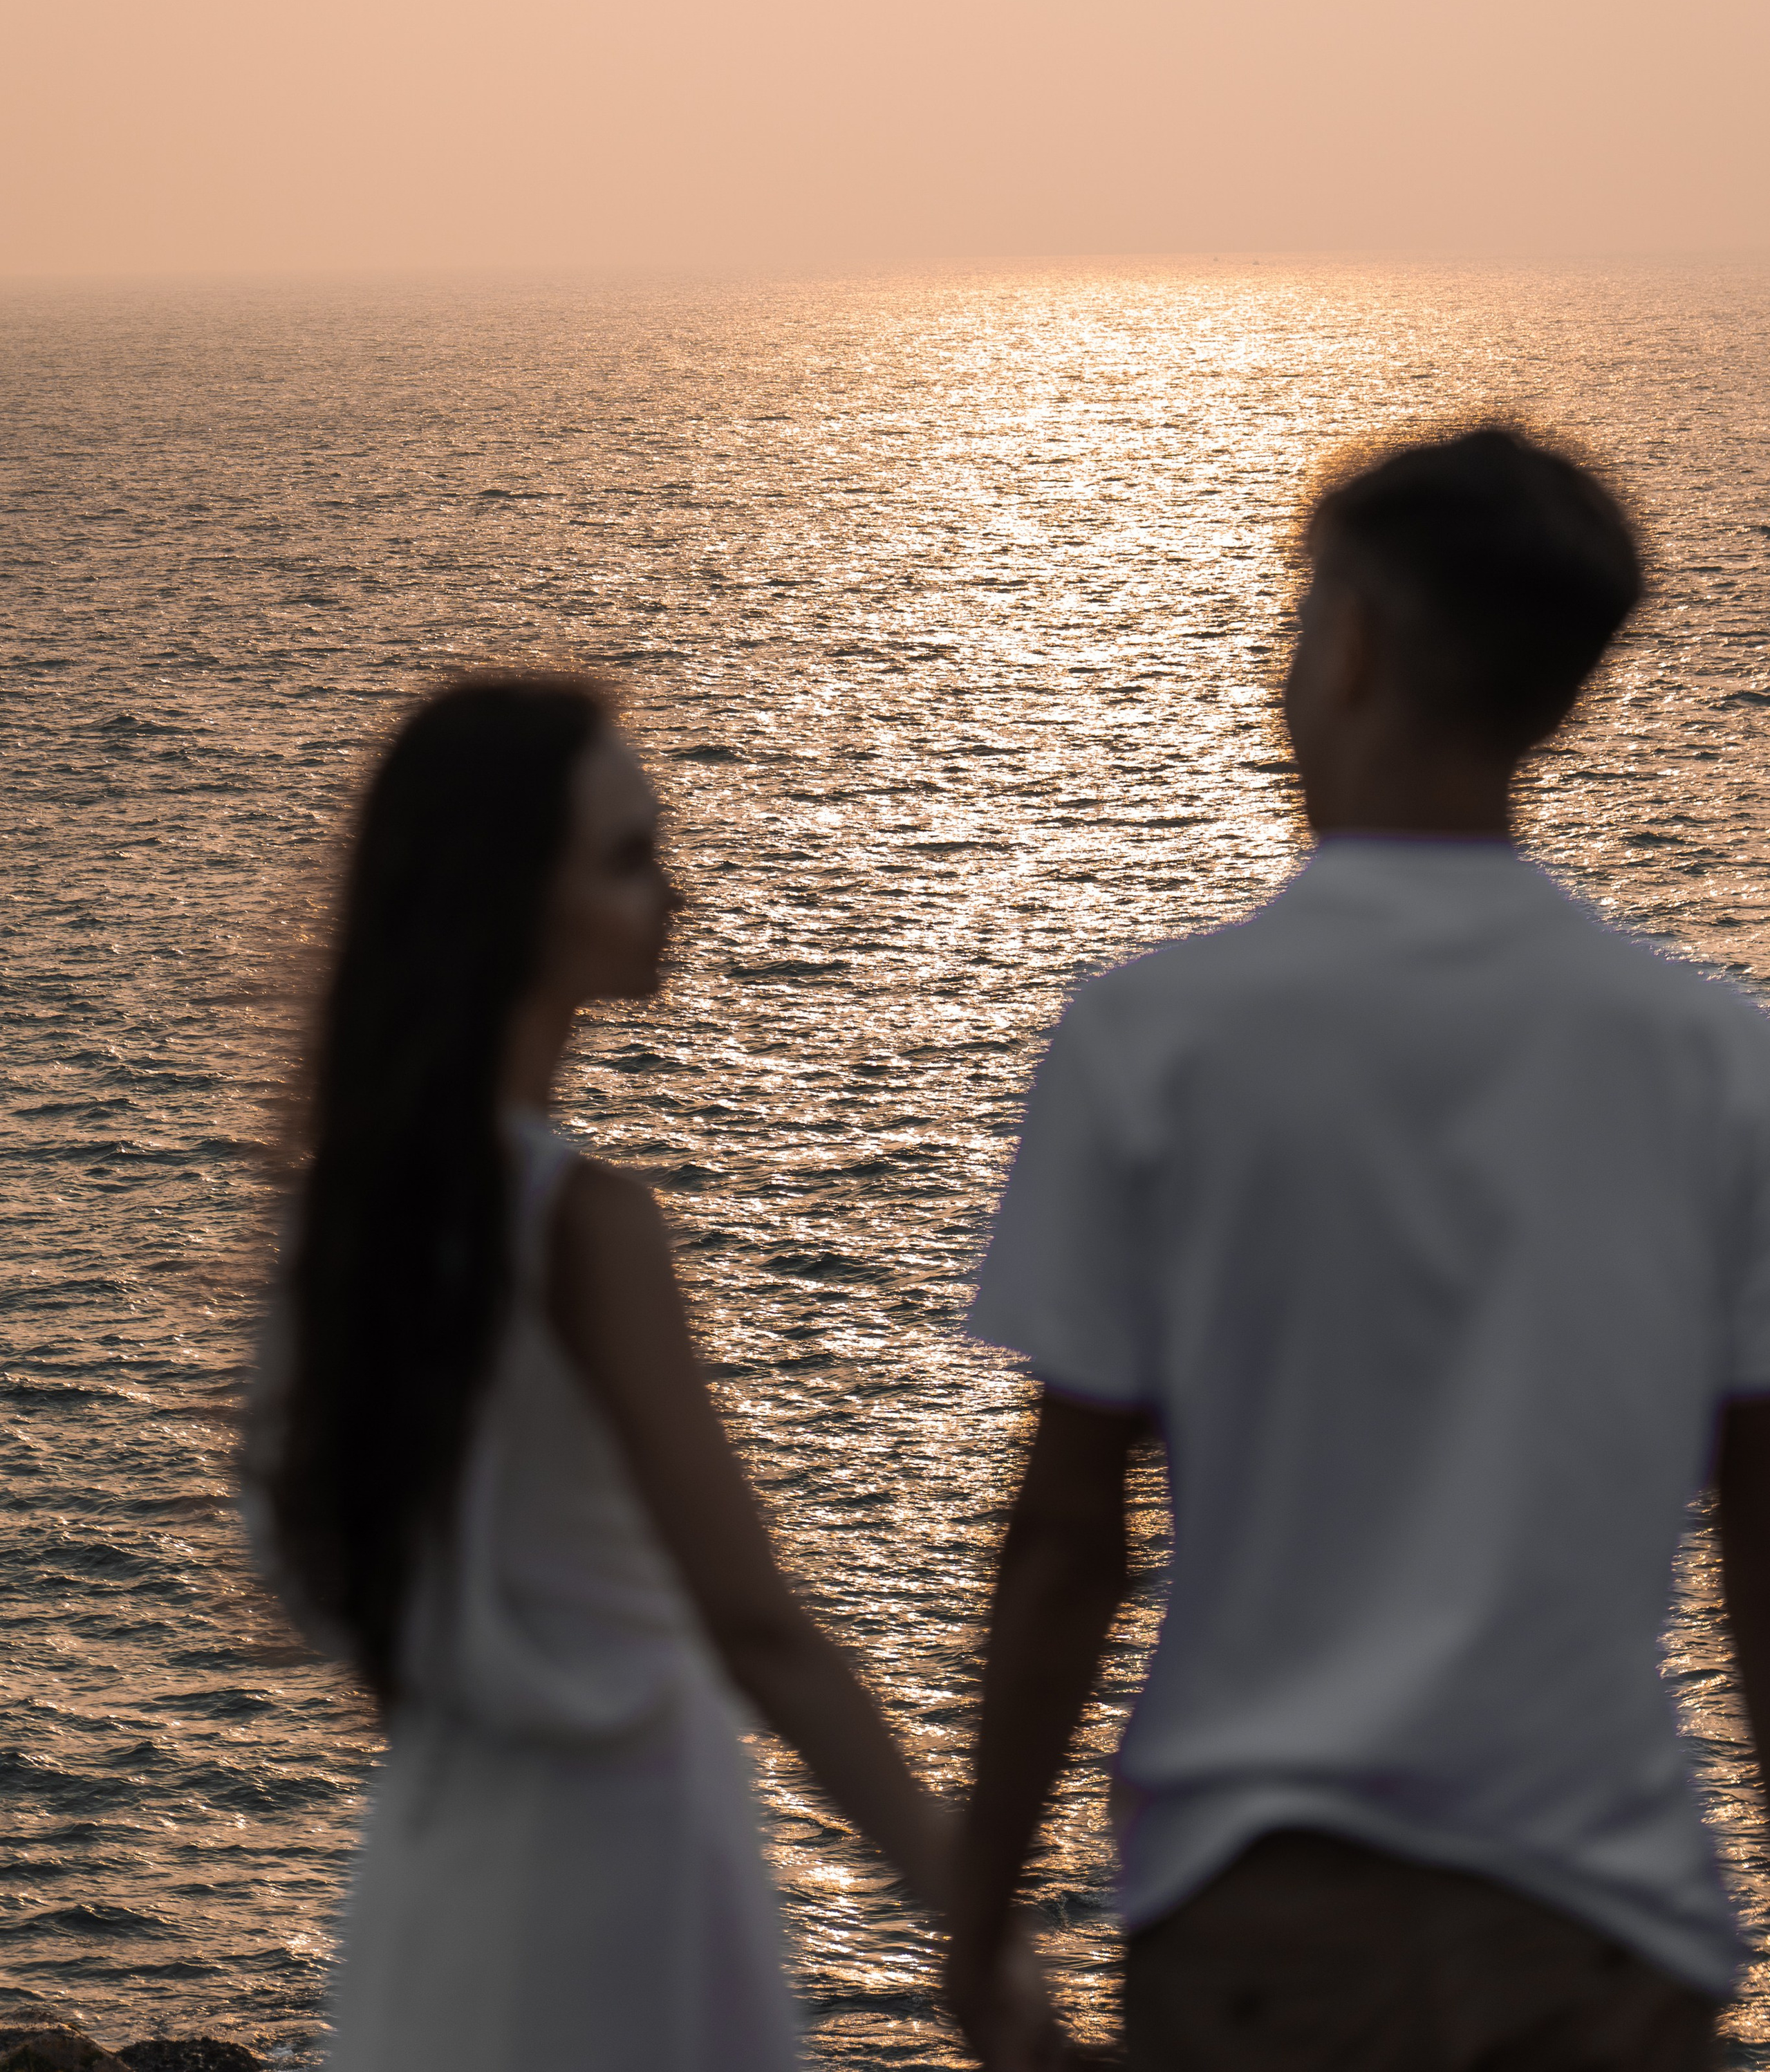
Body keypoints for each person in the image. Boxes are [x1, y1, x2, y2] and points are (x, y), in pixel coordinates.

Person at [946, 425, 1770, 2071]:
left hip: (1267, 1924)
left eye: (1299, 613)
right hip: (1597, 1927)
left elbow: (1068, 1538)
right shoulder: (1710, 1058)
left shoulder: (1155, 1040)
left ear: (1355, 649)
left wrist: (978, 1919)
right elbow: (1757, 1525)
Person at [242, 677, 1038, 2071]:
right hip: (617, 1865)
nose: (676, 893)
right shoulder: (581, 1224)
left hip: (431, 1868)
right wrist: (970, 1920)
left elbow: (337, 1581)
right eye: (626, 856)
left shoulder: (334, 1226)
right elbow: (757, 1625)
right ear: (510, 901)